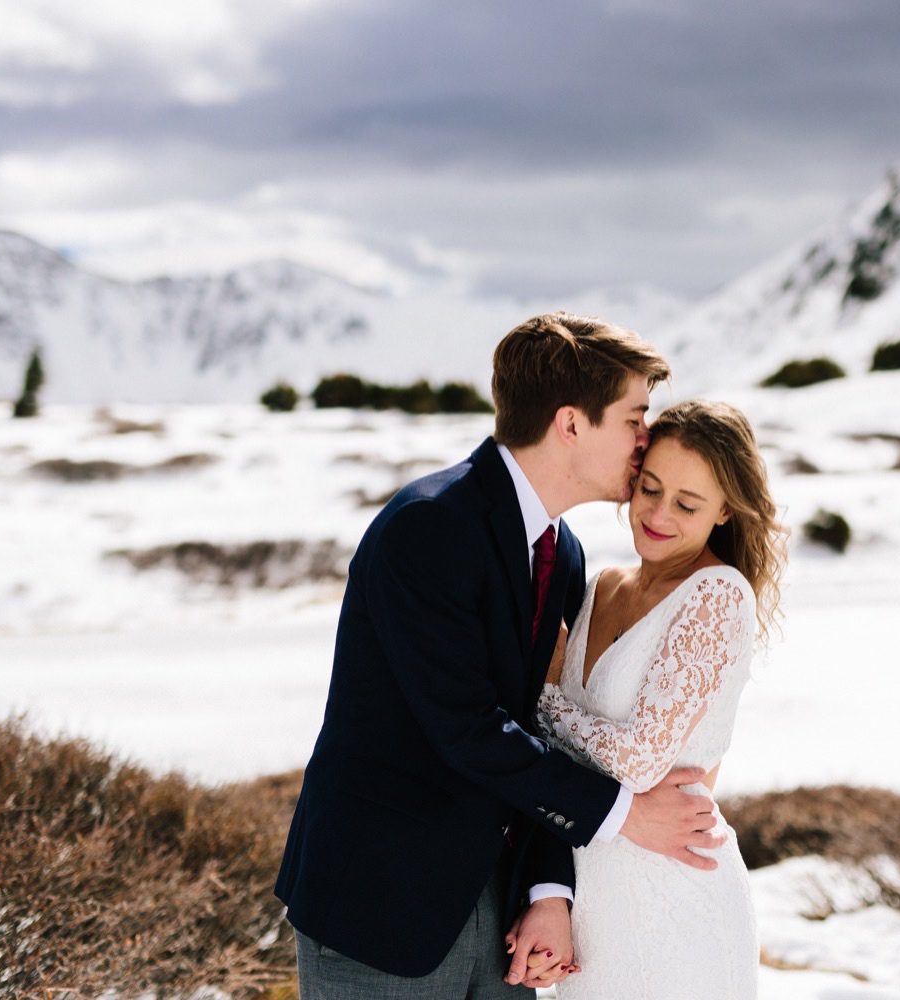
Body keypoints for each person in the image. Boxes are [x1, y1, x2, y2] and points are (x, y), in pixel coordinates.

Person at [275, 313, 727, 998]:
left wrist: (549, 888)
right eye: (635, 418)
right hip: (383, 908)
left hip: (509, 922)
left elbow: (545, 729)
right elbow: (468, 726)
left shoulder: (563, 552)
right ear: (571, 423)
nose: (646, 440)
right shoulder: (428, 527)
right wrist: (626, 813)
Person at [530, 398, 787, 998]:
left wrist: (544, 695)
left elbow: (638, 760)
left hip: (678, 899)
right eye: (650, 489)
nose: (659, 514)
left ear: (726, 510)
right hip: (594, 906)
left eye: (687, 503)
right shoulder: (603, 586)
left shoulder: (717, 595)